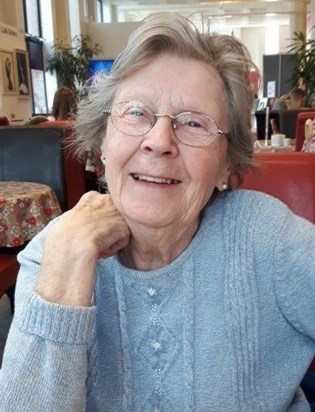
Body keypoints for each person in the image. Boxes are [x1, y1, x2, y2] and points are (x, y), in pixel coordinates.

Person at [0, 12, 314, 411]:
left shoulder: (267, 238)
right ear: (102, 145)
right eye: (136, 113)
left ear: (226, 164)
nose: (159, 141)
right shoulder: (53, 252)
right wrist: (64, 273)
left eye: (194, 123)